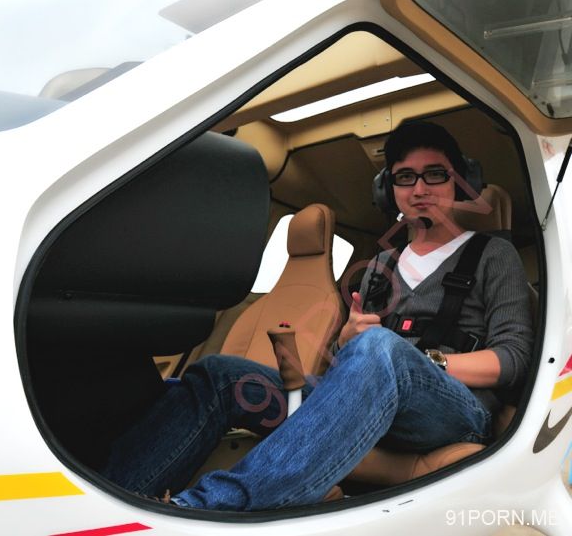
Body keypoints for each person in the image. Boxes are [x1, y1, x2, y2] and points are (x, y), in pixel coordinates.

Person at [102, 122, 534, 511]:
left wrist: (420, 362)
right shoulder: (380, 266)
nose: (420, 188)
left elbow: (513, 359)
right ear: (390, 190)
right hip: (370, 402)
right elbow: (353, 363)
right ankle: (116, 499)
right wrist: (347, 340)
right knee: (219, 375)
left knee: (378, 346)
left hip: (454, 411)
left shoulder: (494, 254)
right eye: (405, 176)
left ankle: (206, 507)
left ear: (460, 181)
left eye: (435, 174)